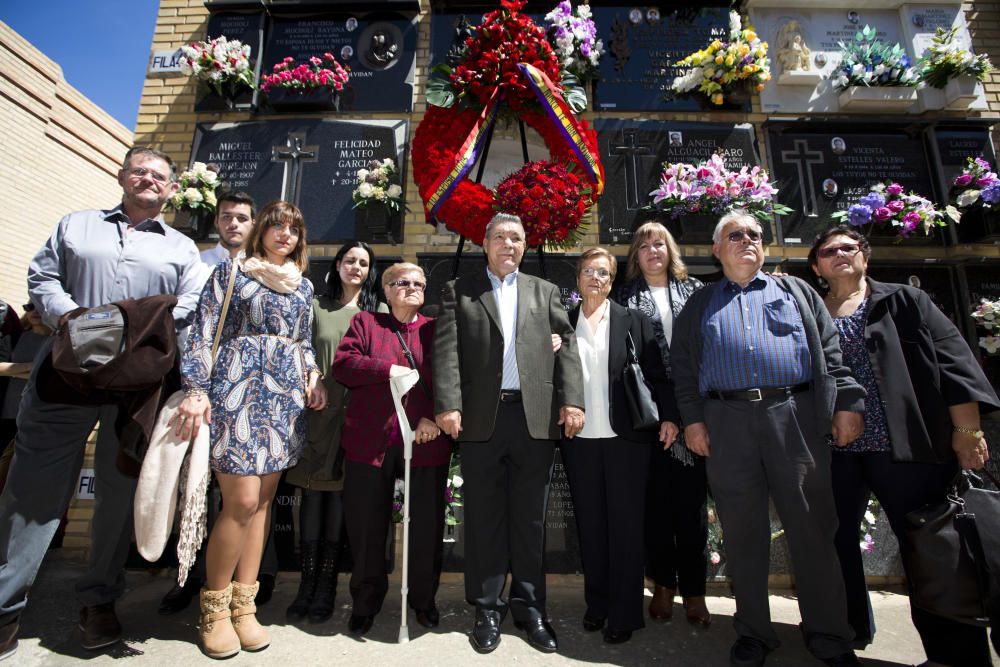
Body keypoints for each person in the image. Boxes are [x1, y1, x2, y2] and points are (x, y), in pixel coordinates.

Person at [0, 147, 204, 660]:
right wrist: (77, 321)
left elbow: (192, 304)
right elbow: (43, 277)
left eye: (159, 176)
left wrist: (126, 334)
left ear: (172, 190)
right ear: (122, 175)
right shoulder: (76, 226)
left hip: (134, 389)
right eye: (140, 170)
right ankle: (5, 605)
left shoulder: (182, 248)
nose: (148, 179)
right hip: (63, 377)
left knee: (118, 497)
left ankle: (99, 600)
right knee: (32, 494)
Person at [671, 210, 866, 667]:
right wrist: (694, 421)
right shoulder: (700, 304)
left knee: (813, 529)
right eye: (734, 236)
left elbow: (831, 354)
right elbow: (684, 370)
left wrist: (847, 403)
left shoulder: (796, 291)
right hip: (727, 420)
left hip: (794, 417)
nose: (746, 241)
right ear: (717, 250)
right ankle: (755, 632)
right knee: (743, 533)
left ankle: (829, 634)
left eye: (754, 235)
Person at [808, 226, 999, 666]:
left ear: (865, 256)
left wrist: (967, 432)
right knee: (833, 544)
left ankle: (953, 653)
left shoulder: (904, 301)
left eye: (848, 248)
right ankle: (849, 626)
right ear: (816, 265)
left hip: (906, 448)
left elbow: (954, 361)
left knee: (933, 549)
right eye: (828, 251)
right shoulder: (811, 312)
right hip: (835, 451)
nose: (839, 255)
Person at [173, 200, 327, 658]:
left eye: (294, 229)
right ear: (261, 230)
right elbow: (202, 331)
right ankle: (213, 609)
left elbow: (302, 342)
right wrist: (196, 388)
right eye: (276, 226)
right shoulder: (233, 274)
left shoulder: (303, 288)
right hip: (235, 392)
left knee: (261, 505)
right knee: (238, 501)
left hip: (283, 401)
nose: (285, 235)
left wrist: (313, 376)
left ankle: (245, 606)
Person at [433, 212, 586, 655]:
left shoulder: (546, 291)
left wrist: (571, 401)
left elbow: (567, 345)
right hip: (481, 420)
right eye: (499, 237)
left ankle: (530, 607)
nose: (508, 244)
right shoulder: (459, 290)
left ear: (524, 245)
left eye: (516, 238)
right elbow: (446, 351)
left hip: (534, 420)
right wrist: (448, 404)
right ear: (485, 243)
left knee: (530, 519)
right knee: (483, 519)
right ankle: (486, 607)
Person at [563, 247, 678, 644]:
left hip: (627, 440)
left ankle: (625, 614)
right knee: (591, 527)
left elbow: (660, 372)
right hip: (579, 442)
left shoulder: (635, 321)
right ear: (577, 278)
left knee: (626, 528)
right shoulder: (563, 323)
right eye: (589, 271)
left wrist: (670, 417)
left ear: (612, 281)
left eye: (604, 273)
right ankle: (597, 604)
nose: (596, 278)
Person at [332, 262, 451, 636]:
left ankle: (422, 600)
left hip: (425, 442)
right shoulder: (366, 325)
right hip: (372, 443)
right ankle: (366, 601)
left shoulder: (435, 331)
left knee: (426, 528)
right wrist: (386, 371)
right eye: (402, 282)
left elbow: (451, 377)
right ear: (385, 291)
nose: (411, 288)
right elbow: (344, 365)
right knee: (367, 528)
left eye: (418, 283)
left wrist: (434, 418)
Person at [160, 190, 261, 616]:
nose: (233, 224)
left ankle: (245, 582)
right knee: (193, 489)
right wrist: (194, 387)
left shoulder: (263, 272)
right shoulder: (200, 264)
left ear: (253, 223)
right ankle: (189, 577)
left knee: (243, 499)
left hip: (241, 394)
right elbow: (189, 328)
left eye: (241, 217)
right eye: (226, 217)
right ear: (216, 222)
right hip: (194, 389)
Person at [284, 241, 387, 625]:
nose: (356, 268)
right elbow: (300, 351)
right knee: (311, 499)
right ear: (338, 265)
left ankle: (326, 587)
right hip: (317, 414)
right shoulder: (317, 307)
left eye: (363, 263)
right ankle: (305, 586)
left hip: (355, 418)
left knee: (340, 501)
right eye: (349, 261)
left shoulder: (377, 312)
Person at [614, 222, 711, 626]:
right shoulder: (623, 298)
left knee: (691, 509)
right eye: (644, 246)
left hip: (697, 411)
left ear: (671, 250)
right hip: (648, 415)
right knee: (655, 507)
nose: (653, 250)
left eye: (660, 244)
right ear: (635, 256)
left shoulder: (699, 293)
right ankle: (663, 585)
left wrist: (688, 412)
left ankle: (695, 592)